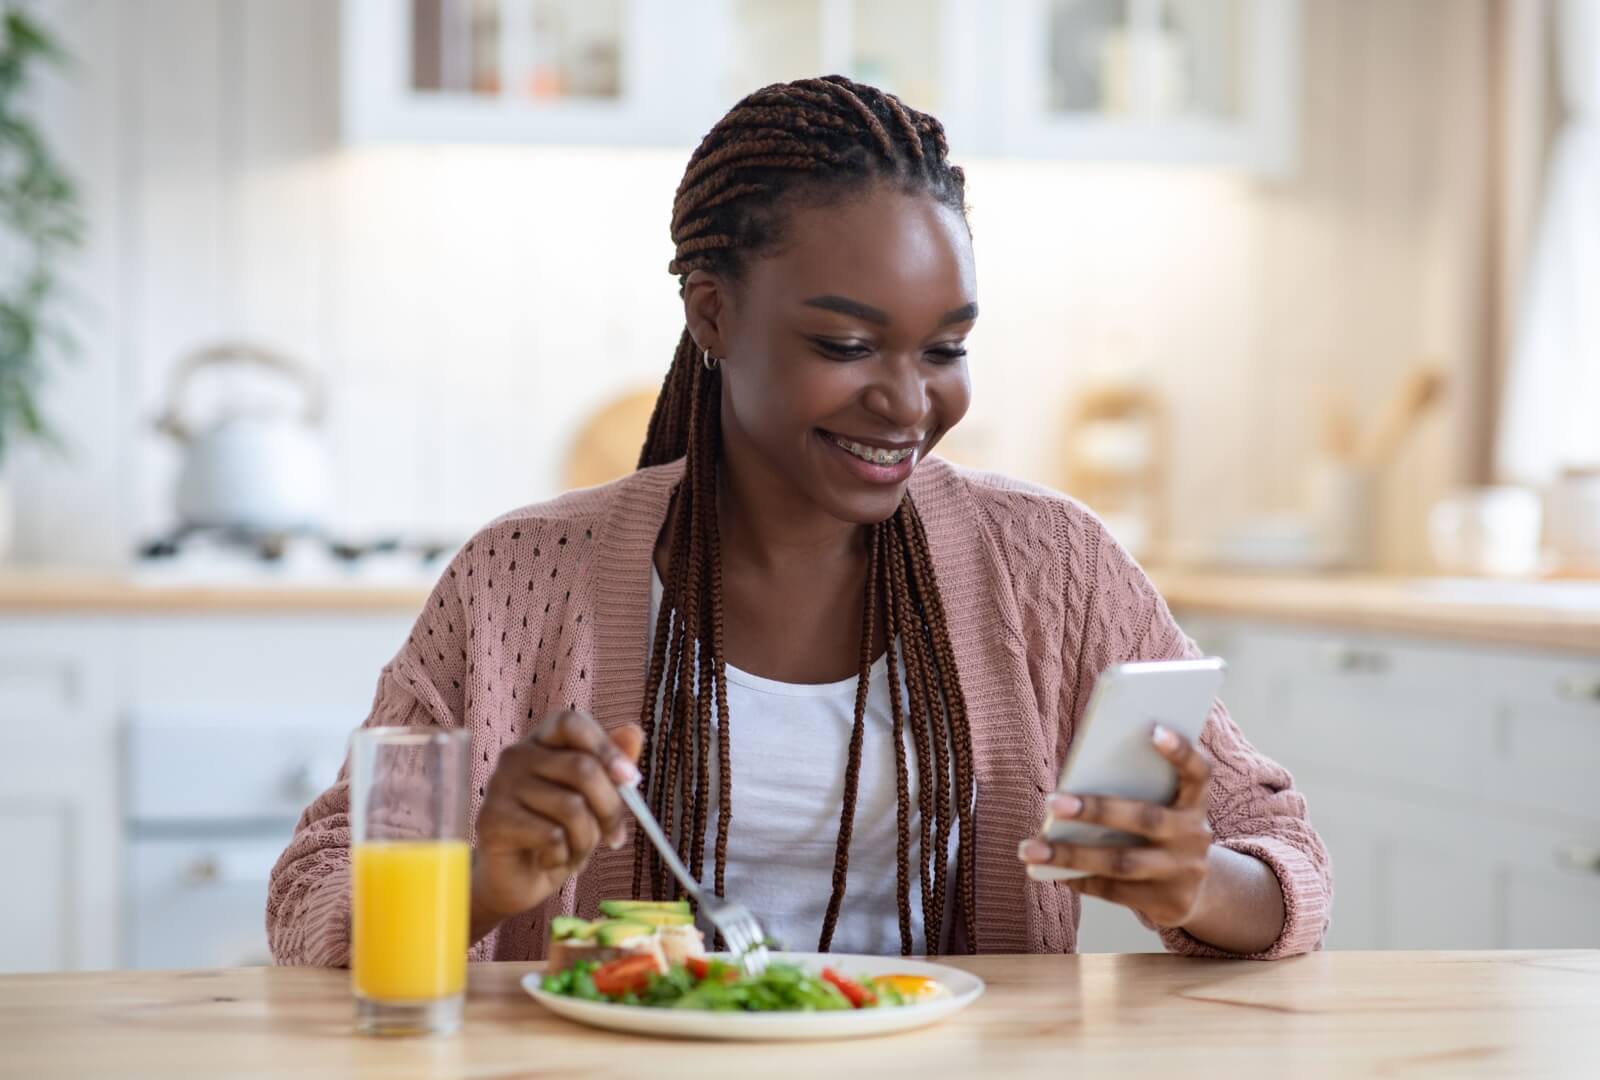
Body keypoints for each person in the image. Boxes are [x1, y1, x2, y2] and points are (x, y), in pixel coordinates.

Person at [267, 76, 1329, 964]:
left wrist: (1189, 884)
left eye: (945, 348)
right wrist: (474, 887)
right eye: (847, 345)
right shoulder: (518, 579)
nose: (909, 402)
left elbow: (1282, 865)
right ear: (712, 313)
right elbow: (313, 902)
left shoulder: (1050, 561)